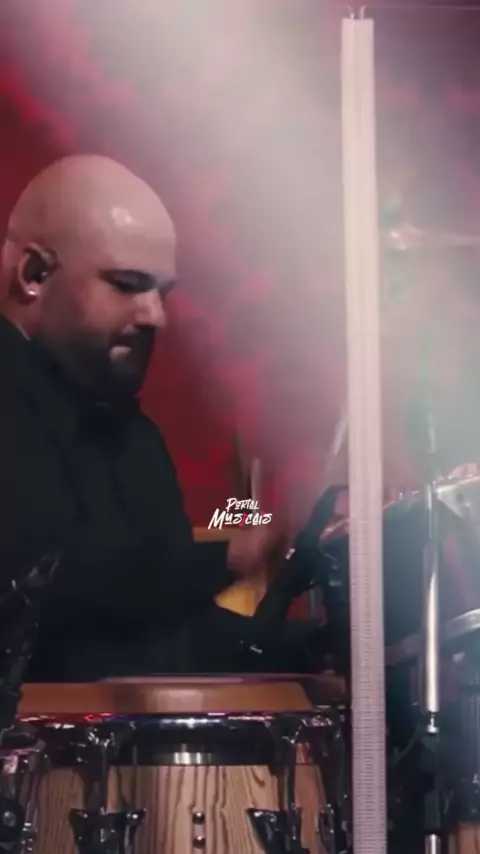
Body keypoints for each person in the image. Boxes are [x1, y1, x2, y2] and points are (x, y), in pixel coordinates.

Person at [0, 154, 290, 681]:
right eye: (127, 284)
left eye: (163, 293)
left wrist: (328, 649)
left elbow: (167, 641)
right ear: (34, 274)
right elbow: (44, 592)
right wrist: (227, 554)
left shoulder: (135, 437)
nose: (157, 315)